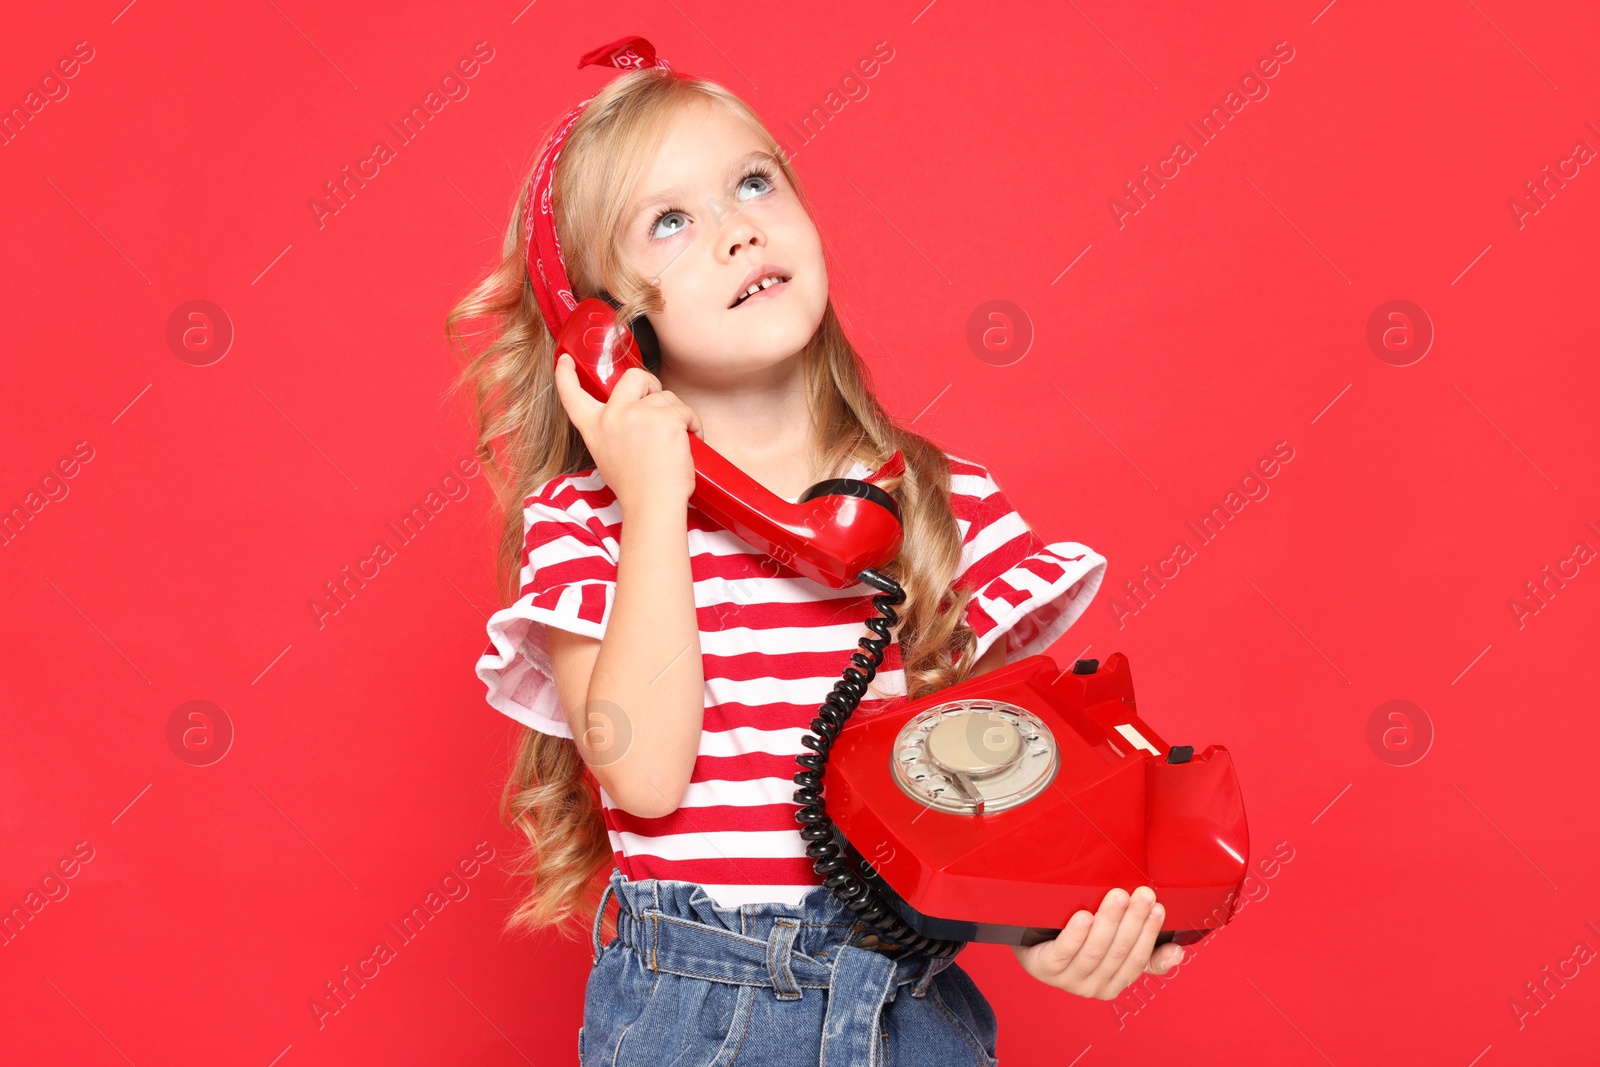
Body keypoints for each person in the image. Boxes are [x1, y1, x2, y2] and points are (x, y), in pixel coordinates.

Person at [448, 35, 1183, 1066]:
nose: (738, 231)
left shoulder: (942, 505)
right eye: (670, 221)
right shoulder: (593, 529)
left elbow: (1004, 795)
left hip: (909, 1009)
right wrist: (654, 504)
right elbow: (648, 777)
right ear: (600, 329)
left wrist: (1060, 928)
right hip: (695, 1016)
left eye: (754, 182)